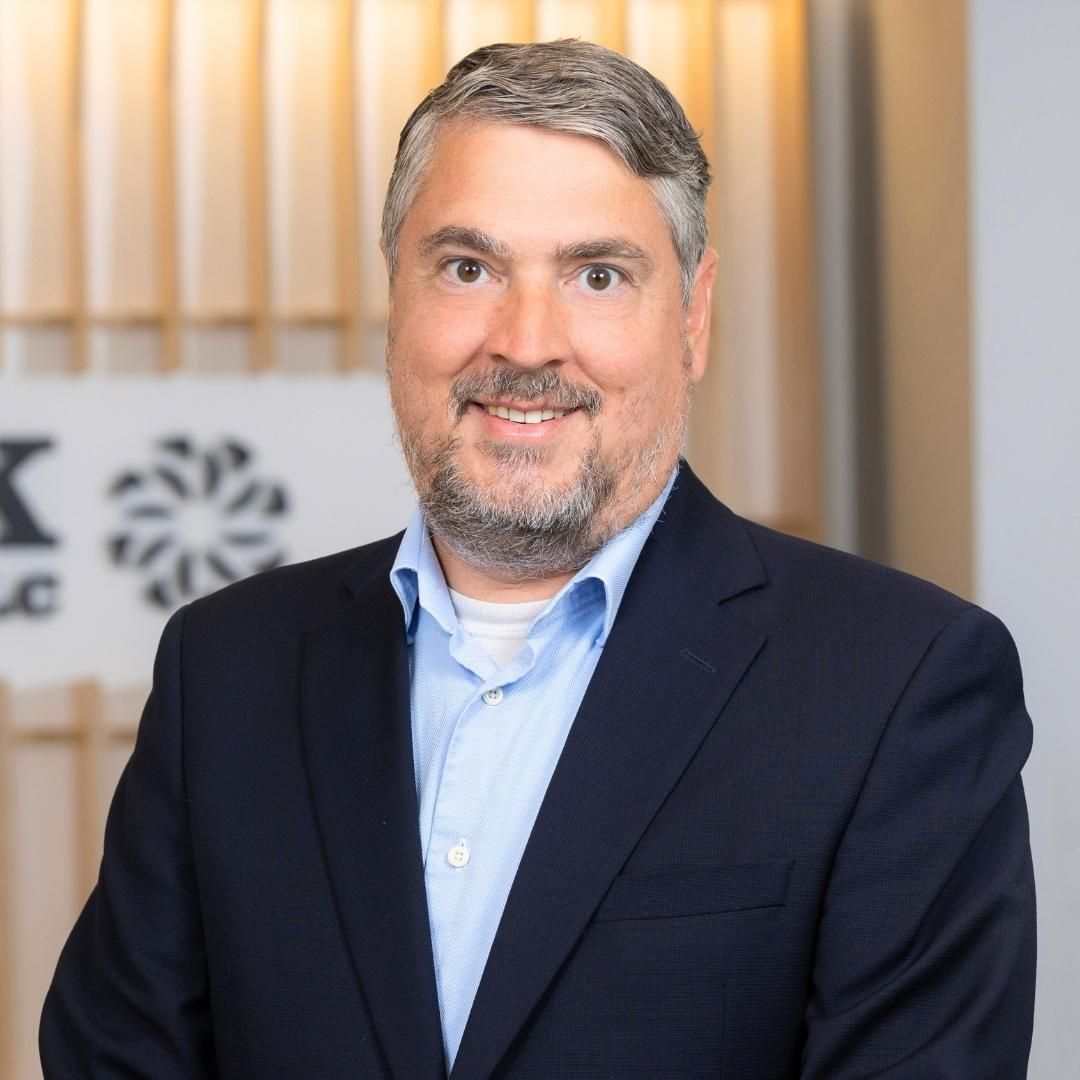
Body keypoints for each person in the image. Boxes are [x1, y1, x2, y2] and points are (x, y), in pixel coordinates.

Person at [40, 39, 1035, 1079]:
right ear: (398, 297)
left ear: (691, 316)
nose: (525, 343)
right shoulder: (227, 667)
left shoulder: (897, 684)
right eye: (469, 268)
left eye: (596, 276)